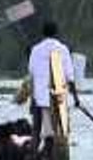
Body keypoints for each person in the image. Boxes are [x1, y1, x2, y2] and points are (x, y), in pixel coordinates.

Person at [27, 21, 80, 152]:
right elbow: (70, 76)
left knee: (36, 132)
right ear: (56, 33)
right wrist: (76, 98)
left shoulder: (35, 49)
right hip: (58, 99)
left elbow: (32, 75)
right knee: (59, 134)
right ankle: (52, 159)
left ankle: (33, 159)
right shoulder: (62, 49)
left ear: (43, 33)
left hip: (40, 99)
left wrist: (32, 100)